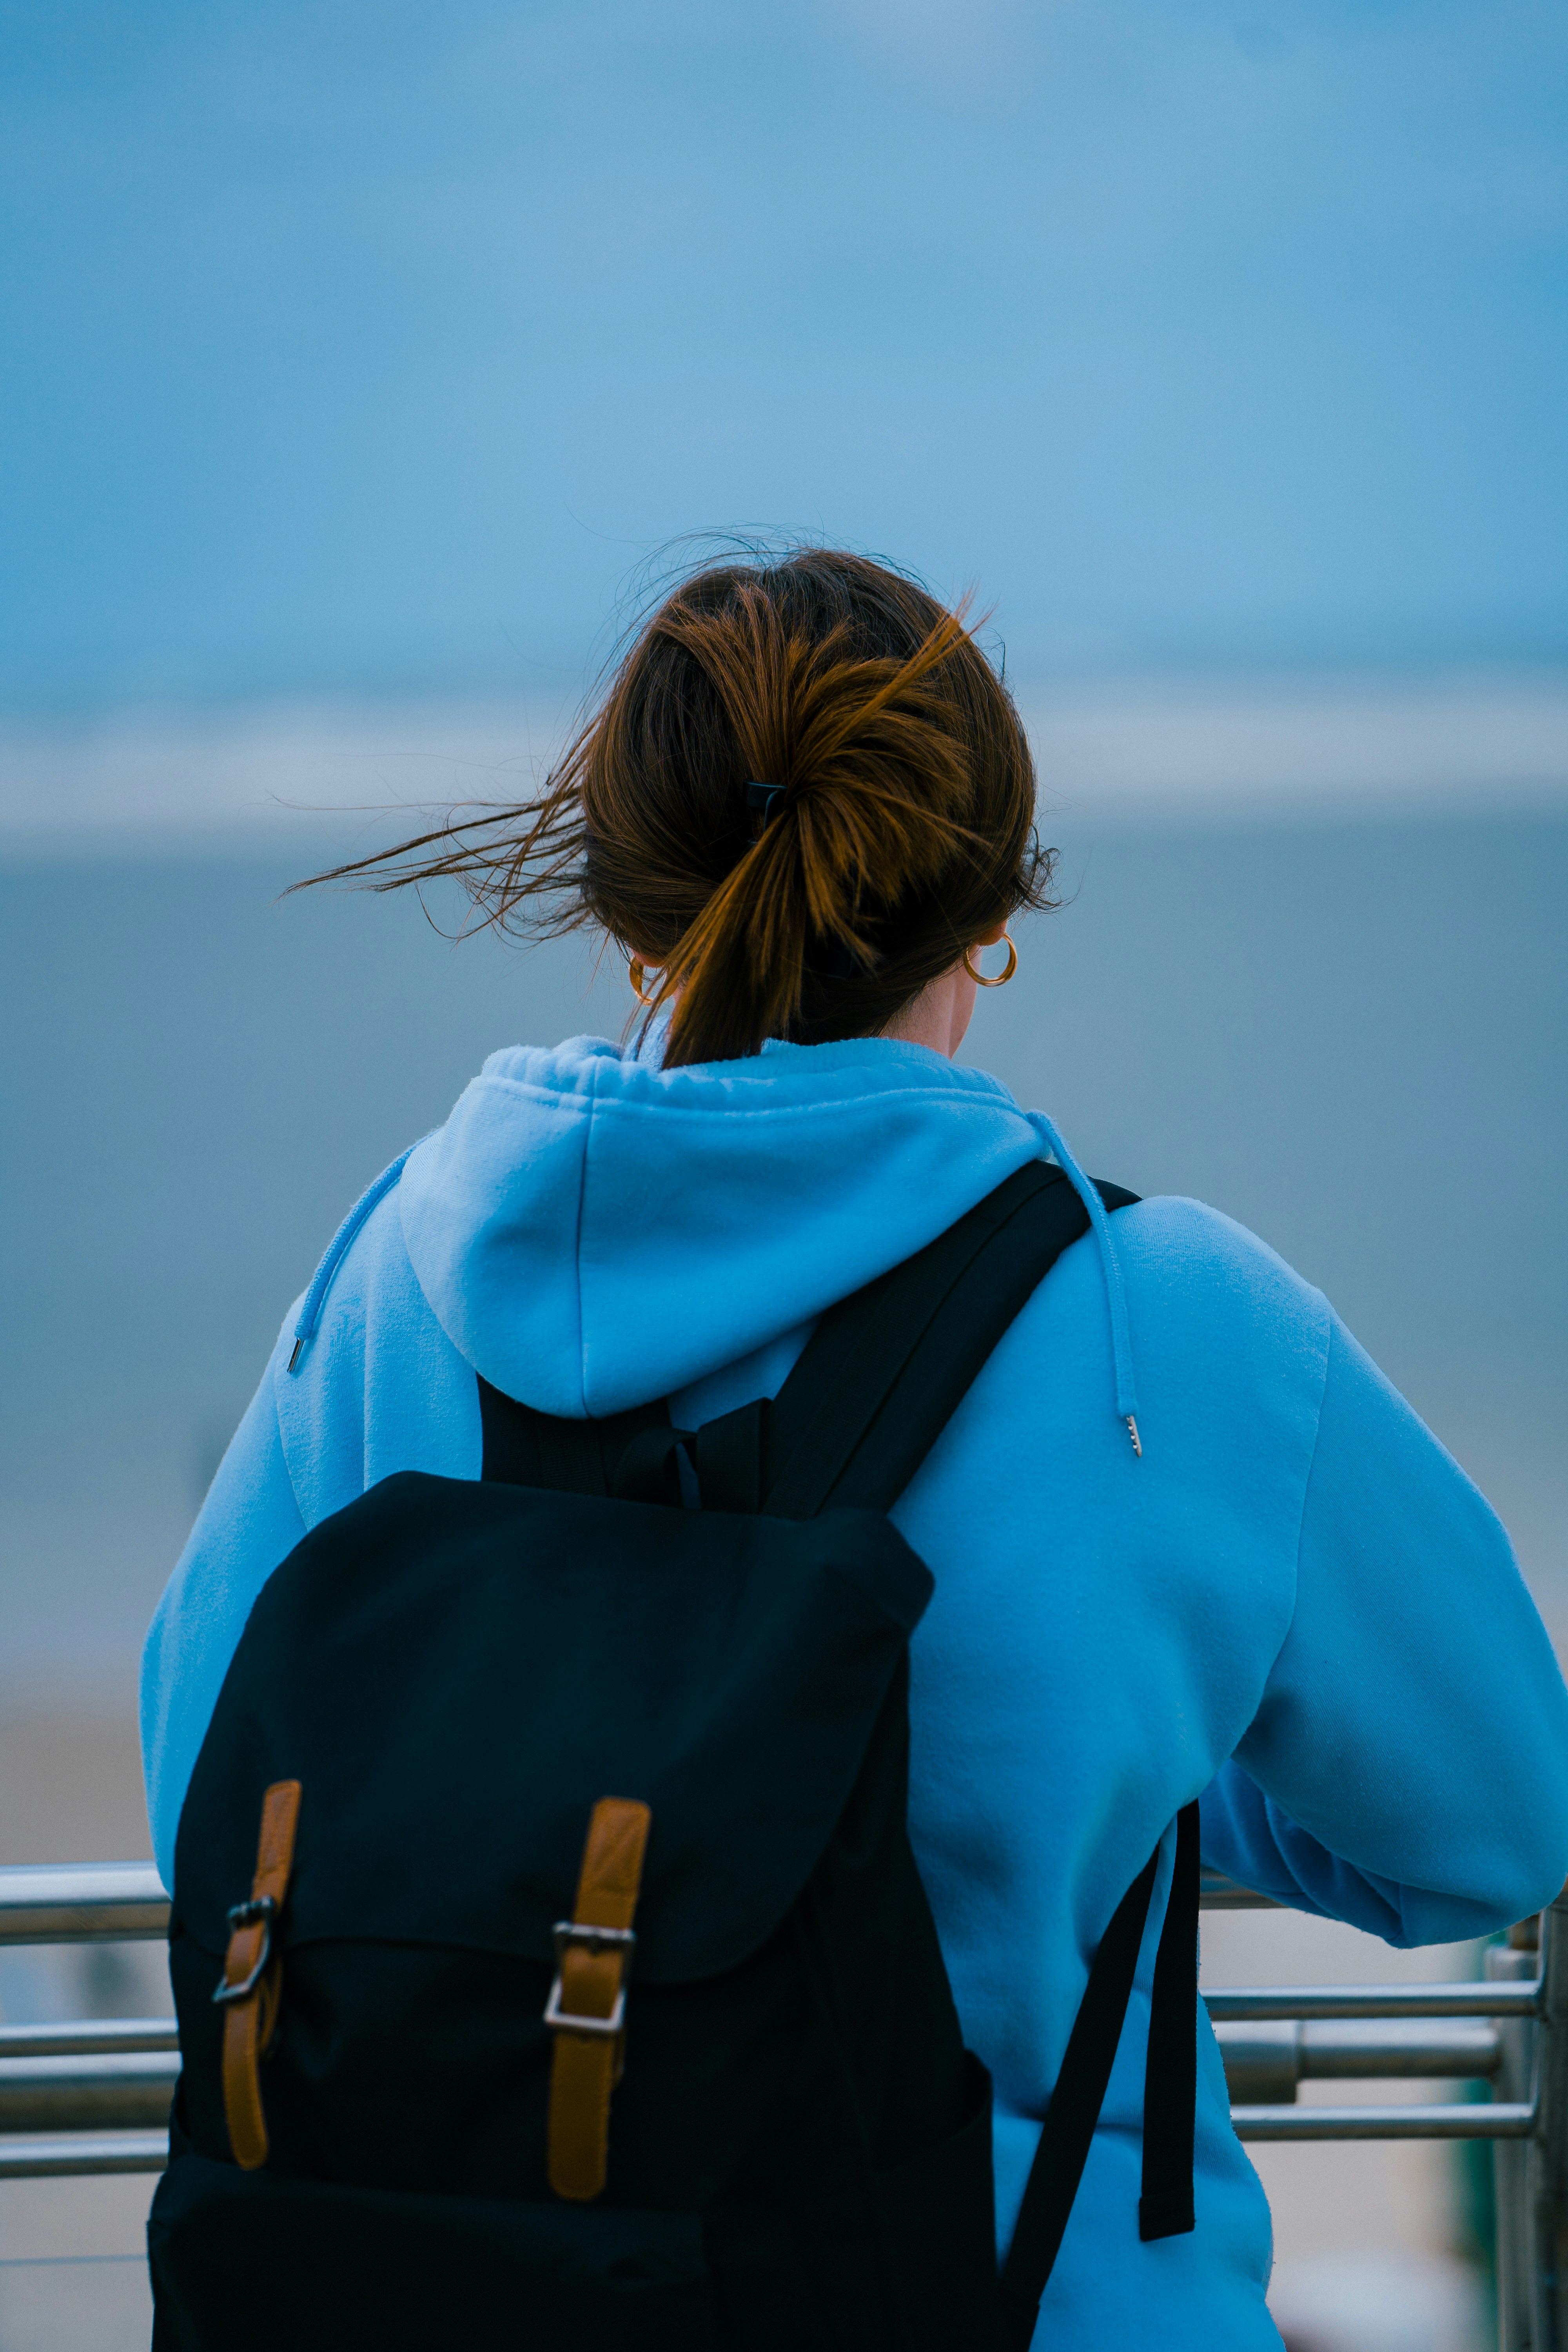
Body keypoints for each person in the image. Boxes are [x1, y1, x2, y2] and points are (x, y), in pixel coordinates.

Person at [141, 546, 1568, 2347]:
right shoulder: (1176, 1324)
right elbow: (1498, 1822)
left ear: (627, 913)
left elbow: (209, 1774)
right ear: (987, 918)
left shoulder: (385, 1287)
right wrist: (1127, 1771)